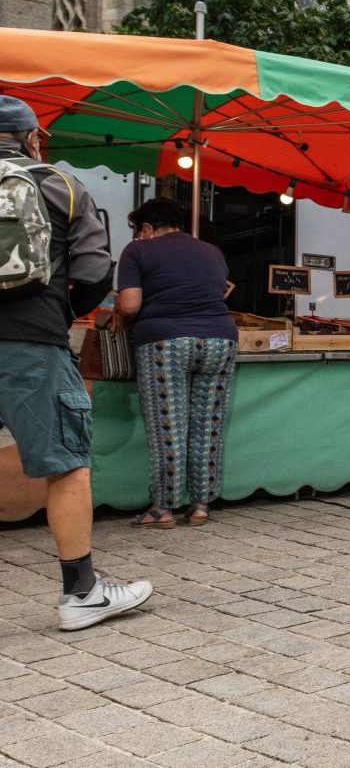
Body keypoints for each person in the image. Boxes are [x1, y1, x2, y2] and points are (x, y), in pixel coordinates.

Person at [0, 95, 153, 630]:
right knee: (66, 468)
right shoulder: (61, 186)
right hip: (32, 345)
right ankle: (82, 593)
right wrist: (61, 309)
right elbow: (93, 275)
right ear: (34, 138)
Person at [116, 197, 239, 528]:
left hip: (165, 340)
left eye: (137, 231)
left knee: (167, 426)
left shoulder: (137, 250)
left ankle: (164, 508)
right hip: (220, 338)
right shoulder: (212, 251)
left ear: (146, 228)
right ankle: (200, 505)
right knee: (208, 425)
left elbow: (129, 306)